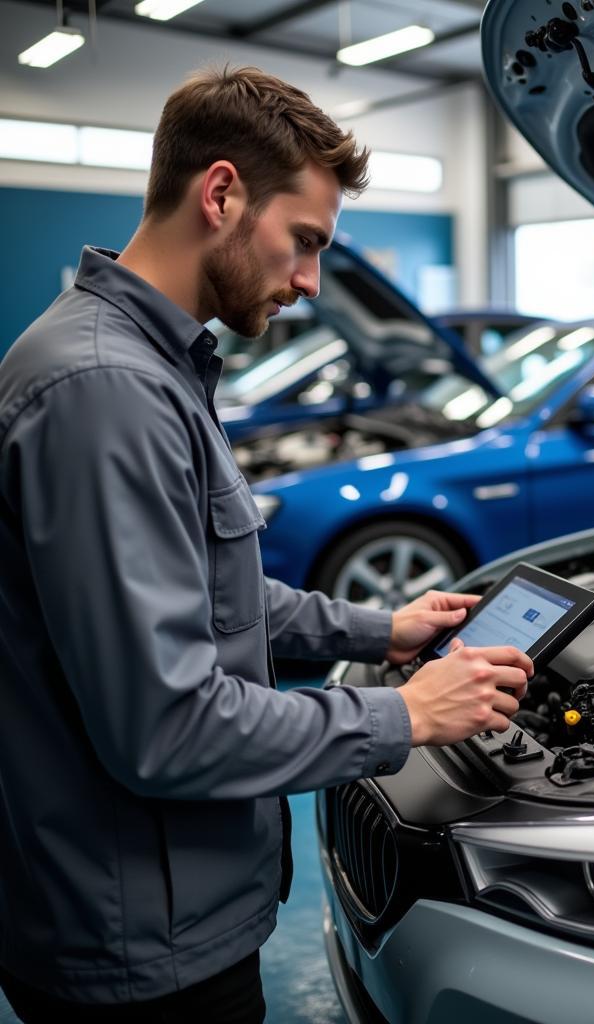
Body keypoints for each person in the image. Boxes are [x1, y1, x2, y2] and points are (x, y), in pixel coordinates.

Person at [0, 65, 532, 1023]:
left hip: (157, 913)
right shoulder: (105, 393)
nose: (309, 281)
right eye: (305, 242)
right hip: (139, 949)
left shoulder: (146, 369)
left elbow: (210, 591)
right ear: (221, 194)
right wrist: (404, 717)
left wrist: (383, 632)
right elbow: (166, 730)